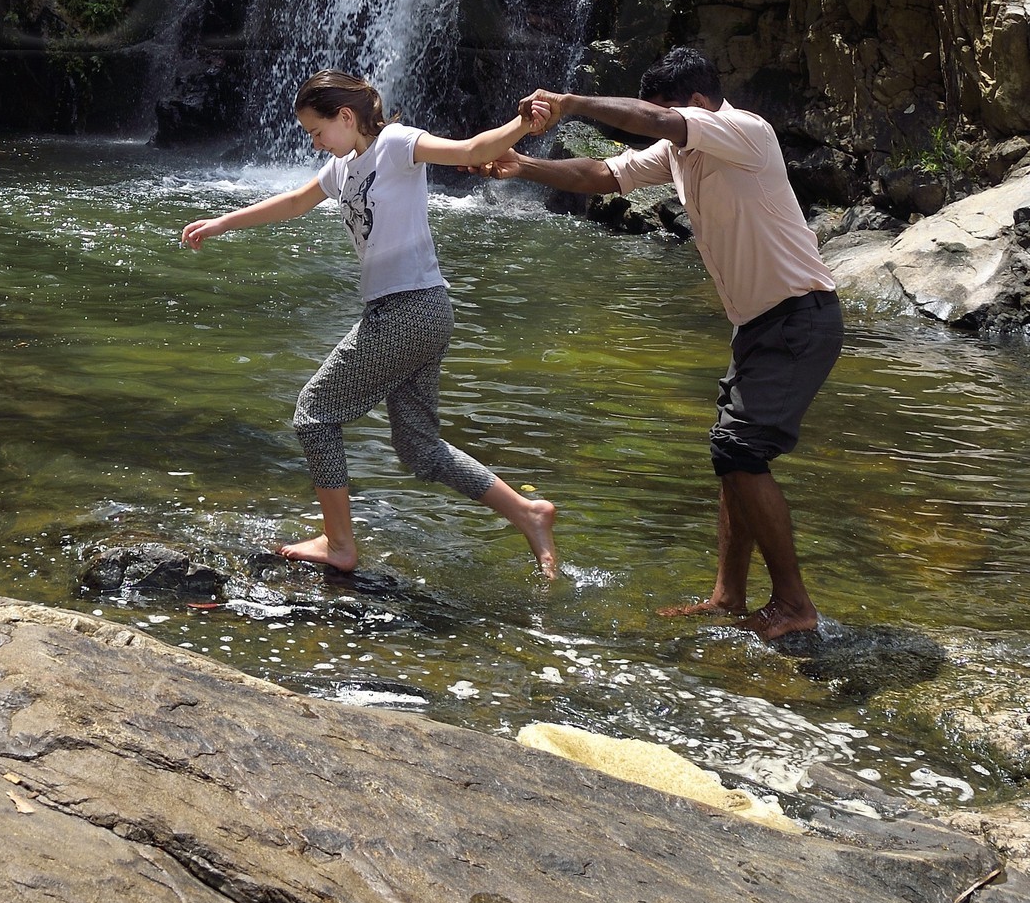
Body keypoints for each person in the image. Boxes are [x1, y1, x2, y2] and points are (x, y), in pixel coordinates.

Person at [496, 48, 841, 641]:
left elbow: (653, 122)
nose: (656, 126)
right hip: (759, 324)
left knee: (738, 450)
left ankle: (794, 604)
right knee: (733, 458)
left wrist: (569, 103)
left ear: (698, 104)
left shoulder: (744, 131)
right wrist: (523, 166)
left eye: (664, 115)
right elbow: (606, 174)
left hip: (798, 318)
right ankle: (728, 597)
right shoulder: (683, 150)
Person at [181, 70, 558, 578]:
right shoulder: (341, 170)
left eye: (317, 131)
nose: (314, 142)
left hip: (410, 308)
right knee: (419, 448)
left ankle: (339, 544)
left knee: (314, 413)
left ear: (345, 116)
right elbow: (294, 202)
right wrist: (223, 222)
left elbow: (471, 150)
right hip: (414, 313)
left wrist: (519, 125)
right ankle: (528, 512)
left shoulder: (397, 146)